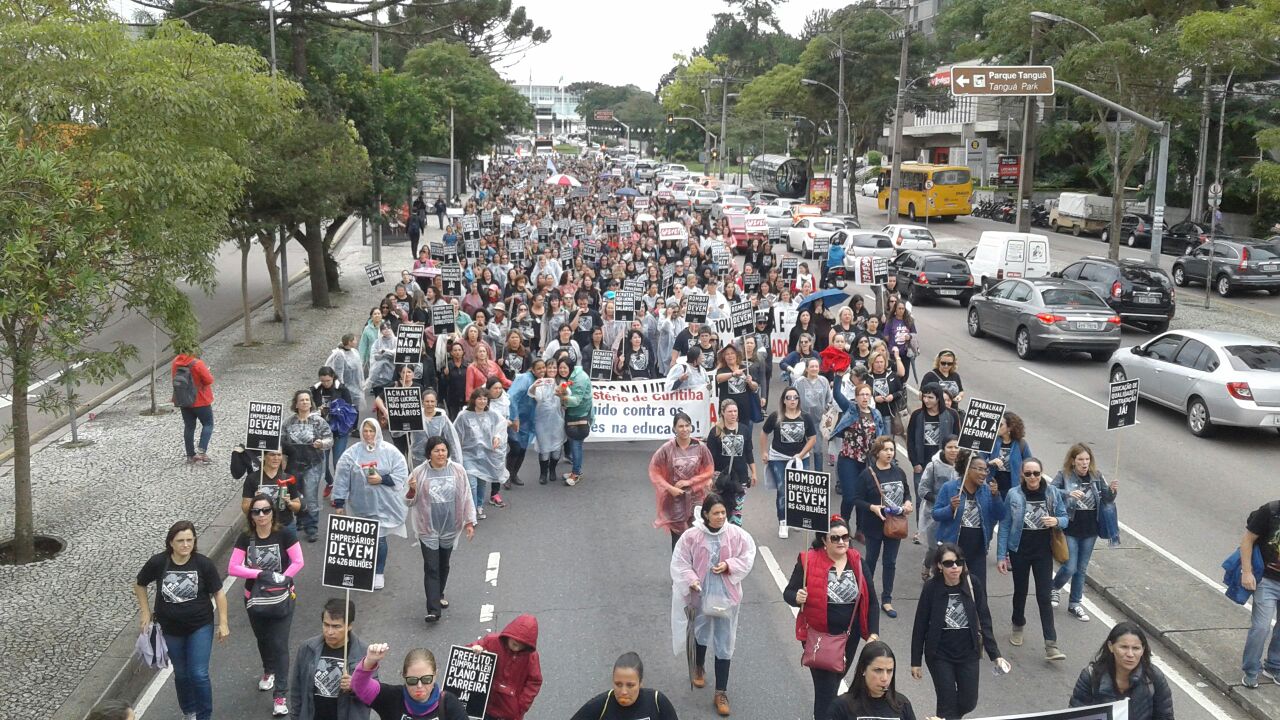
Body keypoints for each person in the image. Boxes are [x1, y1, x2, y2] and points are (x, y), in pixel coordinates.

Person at [670, 494, 757, 716]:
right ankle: (699, 666)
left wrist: (729, 565)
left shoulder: (737, 535)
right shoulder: (691, 536)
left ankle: (721, 692)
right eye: (716, 513)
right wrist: (692, 580)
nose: (720, 517)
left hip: (727, 598)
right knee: (700, 633)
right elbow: (680, 561)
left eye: (723, 513)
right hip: (700, 596)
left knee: (724, 642)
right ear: (705, 514)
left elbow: (748, 556)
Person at [784, 516, 879, 720]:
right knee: (826, 690)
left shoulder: (858, 563)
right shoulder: (807, 560)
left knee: (834, 682)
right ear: (824, 540)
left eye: (845, 537)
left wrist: (873, 633)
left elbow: (871, 601)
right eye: (834, 538)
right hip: (819, 639)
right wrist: (797, 596)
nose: (841, 542)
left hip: (848, 639)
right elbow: (788, 593)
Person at [133, 521, 229, 720]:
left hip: (200, 626)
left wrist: (224, 622)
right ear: (171, 543)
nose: (186, 545)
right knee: (182, 674)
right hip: (170, 628)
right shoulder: (159, 562)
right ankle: (189, 711)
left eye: (189, 540)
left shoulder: (203, 564)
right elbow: (140, 584)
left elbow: (219, 593)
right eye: (180, 541)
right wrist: (145, 611)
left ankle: (204, 716)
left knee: (199, 674)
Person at [228, 494, 305, 716]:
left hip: (282, 598)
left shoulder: (285, 534)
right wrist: (260, 573)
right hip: (254, 598)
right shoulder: (246, 538)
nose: (261, 515)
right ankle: (268, 670)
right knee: (263, 638)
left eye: (266, 510)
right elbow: (233, 567)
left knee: (280, 643)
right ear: (250, 515)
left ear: (273, 512)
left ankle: (280, 694)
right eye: (256, 511)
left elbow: (298, 561)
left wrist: (282, 578)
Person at [910, 543, 1007, 720]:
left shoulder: (973, 584)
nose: (955, 567)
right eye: (948, 563)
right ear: (939, 566)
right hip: (940, 655)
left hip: (968, 653)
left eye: (958, 562)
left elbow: (984, 619)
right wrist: (915, 661)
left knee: (969, 701)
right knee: (946, 702)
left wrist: (996, 655)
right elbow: (920, 624)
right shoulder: (931, 588)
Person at [997, 457, 1069, 661]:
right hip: (1019, 550)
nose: (1032, 477)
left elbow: (1064, 518)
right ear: (1022, 475)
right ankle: (1018, 625)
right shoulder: (1014, 494)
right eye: (1028, 474)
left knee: (1044, 596)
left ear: (1041, 473)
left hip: (1043, 552)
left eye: (1036, 473)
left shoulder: (1052, 492)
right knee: (1020, 592)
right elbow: (1004, 525)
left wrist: (1056, 520)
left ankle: (1051, 644)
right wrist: (1001, 555)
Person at [333, 419, 409, 591]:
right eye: (365, 431)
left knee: (380, 539)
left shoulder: (390, 451)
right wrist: (339, 502)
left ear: (377, 432)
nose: (368, 434)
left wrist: (383, 479)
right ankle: (365, 569)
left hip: (384, 504)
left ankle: (378, 572)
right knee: (365, 538)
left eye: (371, 431)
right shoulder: (352, 454)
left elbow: (401, 473)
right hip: (361, 505)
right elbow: (342, 477)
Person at [406, 435, 476, 623]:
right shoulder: (418, 473)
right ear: (429, 453)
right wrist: (412, 489)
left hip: (451, 526)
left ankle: (439, 592)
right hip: (426, 527)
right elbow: (408, 501)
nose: (440, 454)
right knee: (431, 567)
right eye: (436, 450)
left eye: (443, 450)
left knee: (443, 564)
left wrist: (470, 522)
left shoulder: (458, 471)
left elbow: (467, 496)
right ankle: (433, 609)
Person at [1051, 443, 1120, 621]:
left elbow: (1107, 499)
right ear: (1073, 461)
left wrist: (1112, 491)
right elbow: (1050, 492)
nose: (1084, 463)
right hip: (1071, 528)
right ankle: (1054, 588)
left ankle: (1075, 603)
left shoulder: (1096, 476)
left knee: (1081, 569)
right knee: (1070, 566)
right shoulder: (1064, 475)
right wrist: (1068, 493)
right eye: (1080, 459)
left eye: (1087, 459)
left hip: (1090, 529)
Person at [856, 436, 913, 619]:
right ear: (877, 452)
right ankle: (866, 597)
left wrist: (908, 504)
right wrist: (872, 507)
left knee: (890, 562)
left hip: (894, 525)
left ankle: (887, 600)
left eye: (891, 449)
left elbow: (906, 492)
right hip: (873, 527)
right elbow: (856, 499)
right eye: (886, 449)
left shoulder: (899, 472)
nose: (889, 453)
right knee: (871, 561)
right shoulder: (867, 475)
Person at [1070, 622, 1174, 719]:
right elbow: (1076, 714)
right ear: (1111, 646)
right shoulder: (1090, 676)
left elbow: (1165, 716)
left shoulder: (1153, 677)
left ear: (1143, 650)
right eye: (1124, 647)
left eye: (1136, 648)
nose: (1130, 654)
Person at [933, 451, 1005, 588]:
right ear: (967, 469)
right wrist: (950, 509)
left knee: (978, 588)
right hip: (953, 548)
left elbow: (1000, 515)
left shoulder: (987, 491)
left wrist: (996, 496)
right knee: (951, 587)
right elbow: (935, 514)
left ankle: (977, 610)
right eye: (980, 469)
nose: (984, 473)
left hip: (977, 549)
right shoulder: (949, 488)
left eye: (986, 470)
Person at [289, 598, 371, 720]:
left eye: (336, 626)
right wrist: (295, 717)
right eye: (326, 625)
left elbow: (373, 695)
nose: (329, 632)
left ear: (349, 626)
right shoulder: (307, 648)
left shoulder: (364, 653)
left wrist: (355, 686)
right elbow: (297, 689)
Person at [649, 411, 715, 549]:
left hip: (696, 497)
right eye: (680, 426)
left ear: (691, 427)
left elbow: (709, 470)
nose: (684, 429)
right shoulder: (667, 449)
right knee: (679, 541)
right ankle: (679, 569)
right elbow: (654, 471)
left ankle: (696, 568)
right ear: (674, 428)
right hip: (675, 500)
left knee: (697, 537)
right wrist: (670, 488)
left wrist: (689, 482)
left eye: (687, 425)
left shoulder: (700, 447)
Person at [351, 644, 468, 720]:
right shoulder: (391, 698)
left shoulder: (449, 704)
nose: (420, 686)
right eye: (412, 680)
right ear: (404, 676)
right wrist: (369, 661)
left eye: (426, 679)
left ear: (435, 675)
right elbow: (359, 686)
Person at [832, 381, 890, 529]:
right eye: (861, 395)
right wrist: (838, 376)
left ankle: (860, 528)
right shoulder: (851, 409)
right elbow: (837, 395)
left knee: (862, 496)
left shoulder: (875, 413)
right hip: (848, 459)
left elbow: (880, 436)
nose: (864, 398)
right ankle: (843, 526)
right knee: (850, 496)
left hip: (867, 461)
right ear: (856, 397)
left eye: (867, 395)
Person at [761, 388, 817, 539]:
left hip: (800, 457)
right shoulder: (776, 416)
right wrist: (764, 452)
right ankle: (783, 521)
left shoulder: (805, 417)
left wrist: (801, 454)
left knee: (799, 489)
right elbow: (764, 432)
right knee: (783, 488)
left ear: (798, 400)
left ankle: (796, 518)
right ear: (784, 400)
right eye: (789, 397)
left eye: (795, 397)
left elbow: (812, 438)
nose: (792, 400)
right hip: (778, 457)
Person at [463, 615, 543, 720]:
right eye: (515, 643)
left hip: (510, 711)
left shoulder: (531, 656)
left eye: (522, 645)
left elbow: (534, 681)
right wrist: (474, 649)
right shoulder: (491, 641)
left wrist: (521, 705)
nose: (517, 647)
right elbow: (465, 654)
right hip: (486, 704)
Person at [283, 390, 335, 543]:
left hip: (313, 463)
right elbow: (281, 441)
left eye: (307, 400)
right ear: (296, 403)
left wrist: (322, 443)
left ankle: (312, 527)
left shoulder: (319, 421)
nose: (305, 402)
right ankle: (300, 519)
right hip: (293, 465)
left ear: (310, 403)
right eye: (302, 400)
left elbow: (329, 439)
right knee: (296, 494)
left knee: (311, 495)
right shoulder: (288, 422)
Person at [1239, 497, 1280, 688]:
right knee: (1261, 627)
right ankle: (1251, 669)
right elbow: (1248, 539)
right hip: (1267, 580)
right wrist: (1247, 572)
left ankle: (1274, 666)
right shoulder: (1271, 511)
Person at [567, 652, 679, 720]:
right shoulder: (601, 705)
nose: (623, 691)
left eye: (630, 685)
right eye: (618, 684)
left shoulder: (657, 702)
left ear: (640, 684)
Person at [829, 641, 920, 720]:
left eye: (889, 671)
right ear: (863, 670)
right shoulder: (842, 707)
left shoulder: (902, 704)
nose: (884, 678)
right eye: (878, 670)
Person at [453, 387, 504, 519]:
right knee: (472, 483)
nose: (482, 401)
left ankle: (479, 506)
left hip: (485, 454)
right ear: (474, 400)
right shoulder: (464, 416)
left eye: (485, 398)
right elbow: (455, 434)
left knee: (482, 481)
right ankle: (472, 511)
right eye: (479, 398)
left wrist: (497, 437)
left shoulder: (492, 415)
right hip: (468, 454)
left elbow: (501, 427)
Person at [706, 400, 756, 527]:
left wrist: (754, 472)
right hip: (720, 478)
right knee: (720, 511)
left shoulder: (744, 429)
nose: (733, 414)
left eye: (735, 411)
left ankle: (734, 538)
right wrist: (708, 478)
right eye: (729, 411)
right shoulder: (715, 432)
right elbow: (710, 458)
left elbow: (749, 453)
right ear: (723, 413)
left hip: (740, 477)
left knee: (737, 511)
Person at [917, 437, 960, 578]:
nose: (953, 451)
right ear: (943, 449)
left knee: (951, 548)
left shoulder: (964, 467)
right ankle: (927, 564)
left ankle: (943, 576)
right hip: (934, 515)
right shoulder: (933, 466)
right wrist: (941, 501)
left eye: (956, 447)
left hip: (955, 514)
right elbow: (922, 490)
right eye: (950, 447)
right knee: (934, 548)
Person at [171, 348, 215, 464]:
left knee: (189, 426)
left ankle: (190, 455)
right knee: (208, 423)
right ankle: (202, 451)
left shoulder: (175, 362)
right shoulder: (197, 363)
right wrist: (208, 371)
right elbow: (208, 380)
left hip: (184, 400)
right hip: (200, 400)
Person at [528, 360, 565, 485]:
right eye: (550, 368)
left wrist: (562, 393)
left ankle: (552, 469)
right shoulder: (541, 383)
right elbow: (534, 395)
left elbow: (568, 398)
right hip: (542, 420)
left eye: (555, 368)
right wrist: (535, 386)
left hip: (557, 420)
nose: (553, 370)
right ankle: (543, 473)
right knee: (544, 448)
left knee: (556, 448)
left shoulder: (562, 383)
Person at [558, 356, 593, 486]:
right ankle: (576, 470)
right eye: (560, 368)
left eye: (564, 367)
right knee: (575, 445)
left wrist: (562, 397)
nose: (562, 370)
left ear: (570, 367)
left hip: (580, 416)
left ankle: (576, 474)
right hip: (576, 415)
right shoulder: (573, 376)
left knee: (576, 445)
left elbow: (577, 400)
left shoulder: (579, 378)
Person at [505, 359, 541, 487]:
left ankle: (514, 474)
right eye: (539, 368)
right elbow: (512, 397)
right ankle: (507, 477)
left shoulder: (541, 381)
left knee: (523, 449)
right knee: (515, 448)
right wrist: (515, 418)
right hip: (517, 418)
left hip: (528, 420)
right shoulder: (525, 378)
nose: (542, 371)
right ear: (532, 369)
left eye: (544, 368)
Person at [793, 358, 831, 472]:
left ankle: (818, 475)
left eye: (816, 366)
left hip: (818, 421)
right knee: (803, 450)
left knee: (818, 450)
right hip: (802, 420)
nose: (814, 369)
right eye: (812, 367)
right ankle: (803, 474)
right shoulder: (799, 382)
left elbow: (829, 399)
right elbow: (793, 398)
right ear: (807, 368)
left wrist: (827, 413)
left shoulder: (824, 381)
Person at [984, 412, 1030, 499]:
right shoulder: (991, 442)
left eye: (1000, 425)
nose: (997, 427)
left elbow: (1029, 464)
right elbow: (979, 460)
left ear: (1010, 427)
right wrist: (990, 462)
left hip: (1013, 486)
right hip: (992, 484)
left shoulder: (1021, 444)